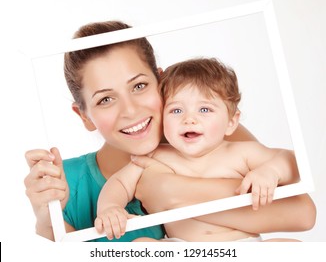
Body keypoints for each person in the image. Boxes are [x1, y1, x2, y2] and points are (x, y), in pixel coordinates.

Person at [24, 20, 316, 242]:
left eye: (139, 86)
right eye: (105, 99)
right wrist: (48, 222)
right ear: (84, 115)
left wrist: (170, 193)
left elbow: (302, 213)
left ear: (161, 82)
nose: (131, 111)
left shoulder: (216, 136)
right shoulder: (68, 182)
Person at [95, 58, 301, 242]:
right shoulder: (155, 157)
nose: (189, 119)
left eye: (205, 109)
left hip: (241, 246)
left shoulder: (241, 153)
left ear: (231, 122)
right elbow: (120, 183)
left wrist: (270, 172)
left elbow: (290, 160)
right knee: (141, 246)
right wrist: (110, 208)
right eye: (176, 110)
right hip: (184, 248)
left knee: (292, 248)